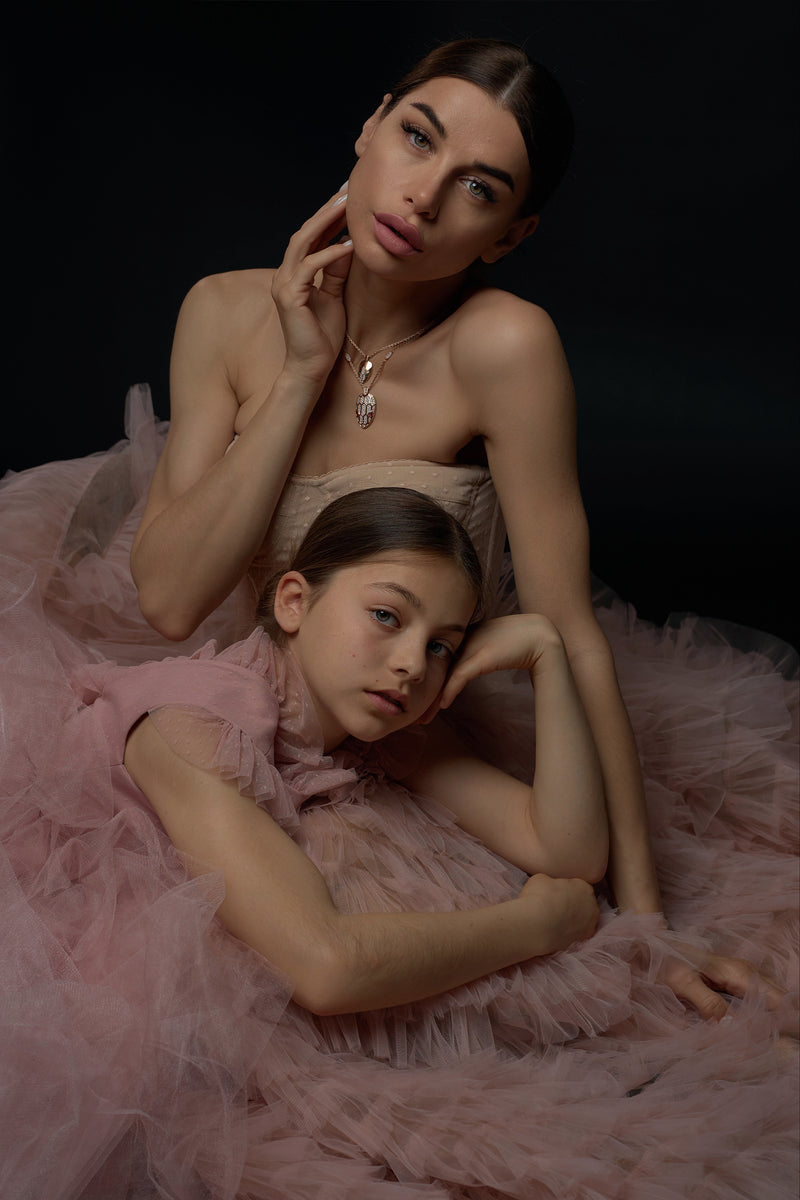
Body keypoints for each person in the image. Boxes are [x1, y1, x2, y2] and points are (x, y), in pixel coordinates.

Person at [125, 37, 795, 1020]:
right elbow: (170, 602)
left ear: (508, 236)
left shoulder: (502, 346)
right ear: (369, 126)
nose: (421, 199)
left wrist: (646, 920)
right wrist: (298, 379)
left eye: (477, 189)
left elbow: (568, 626)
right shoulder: (224, 314)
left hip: (409, 713)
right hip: (271, 694)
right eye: (415, 139)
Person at [0, 488, 795, 1200]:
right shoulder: (192, 729)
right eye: (387, 616)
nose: (413, 662)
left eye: (443, 642)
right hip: (69, 947)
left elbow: (569, 851)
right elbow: (326, 966)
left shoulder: (374, 709)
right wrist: (541, 924)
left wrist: (549, 658)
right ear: (292, 603)